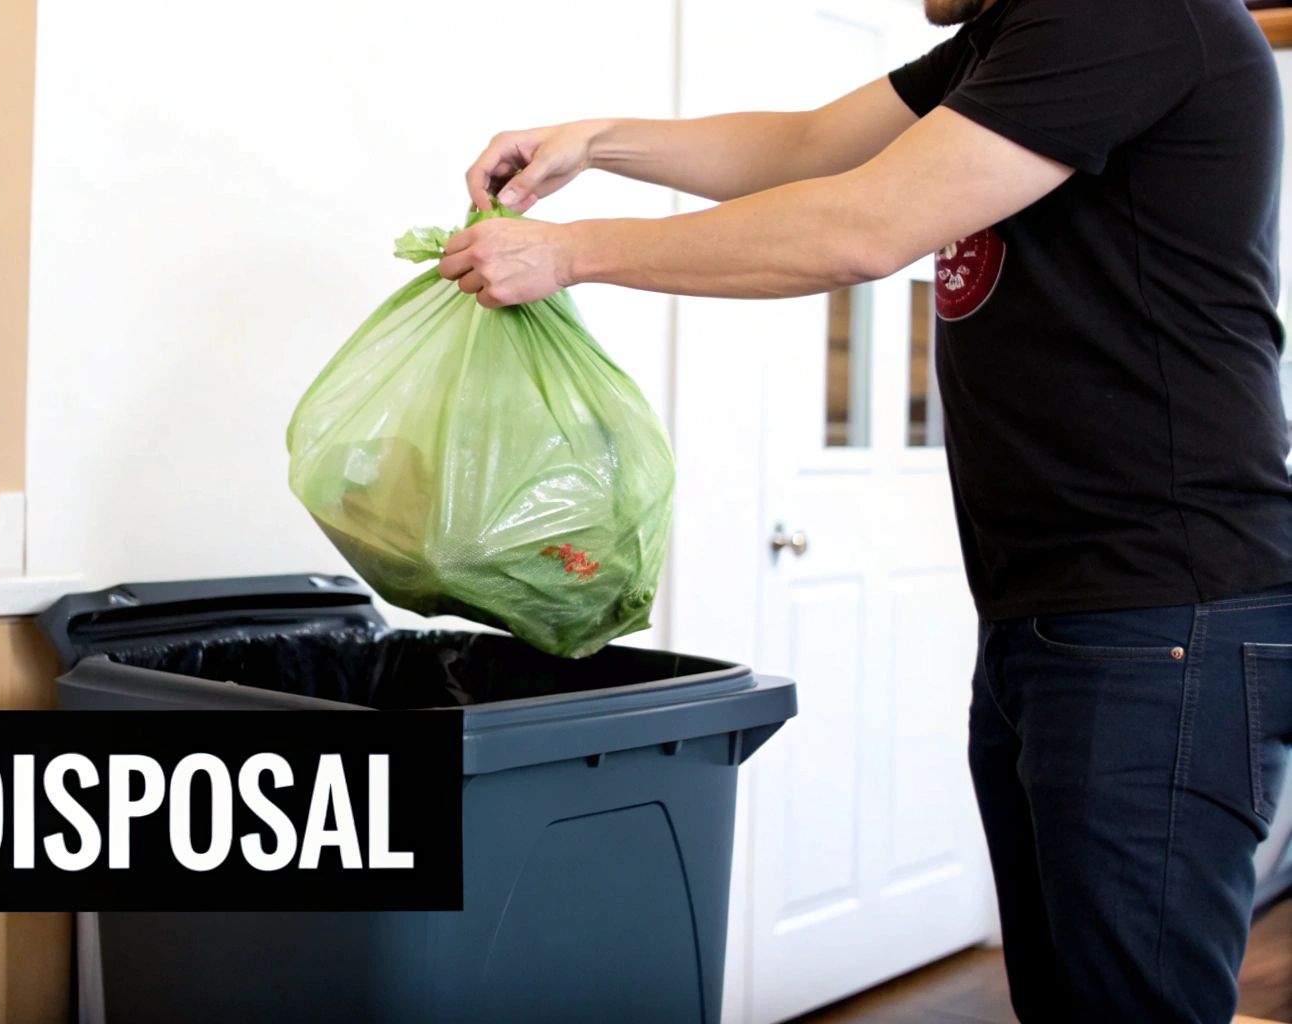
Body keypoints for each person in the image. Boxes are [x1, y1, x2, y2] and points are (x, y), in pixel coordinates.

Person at [439, 0, 1292, 1020]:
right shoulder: (1016, 34)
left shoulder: (1122, 11)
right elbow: (807, 147)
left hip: (1162, 616)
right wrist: (596, 140)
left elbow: (859, 227)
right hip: (1061, 613)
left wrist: (570, 251)